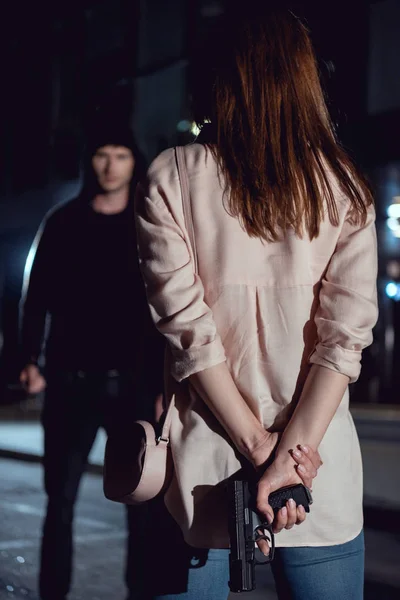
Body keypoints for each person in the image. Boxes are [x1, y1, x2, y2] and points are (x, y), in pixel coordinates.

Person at [134, 7, 378, 600]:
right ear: (302, 79)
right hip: (315, 468)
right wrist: (289, 458)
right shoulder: (344, 186)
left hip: (204, 462)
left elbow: (187, 331)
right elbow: (342, 341)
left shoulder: (172, 176)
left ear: (219, 77)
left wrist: (256, 446)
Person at [19, 125, 164, 600]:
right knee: (59, 503)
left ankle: (141, 593)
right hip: (70, 383)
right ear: (91, 162)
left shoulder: (149, 223)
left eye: (121, 155)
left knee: (142, 504)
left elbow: (169, 305)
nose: (110, 164)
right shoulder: (62, 222)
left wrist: (168, 383)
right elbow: (34, 296)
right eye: (102, 154)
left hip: (134, 386)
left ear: (133, 163)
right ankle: (52, 594)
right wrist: (27, 359)